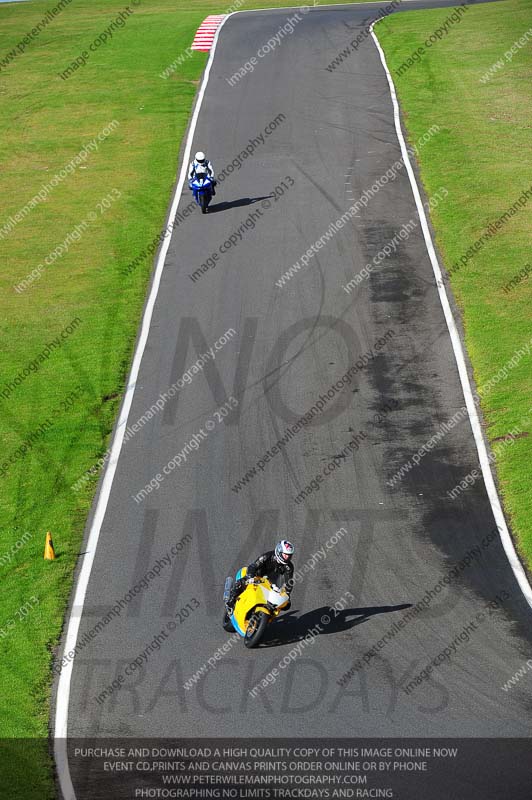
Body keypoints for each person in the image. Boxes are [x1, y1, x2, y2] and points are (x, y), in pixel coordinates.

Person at [226, 540, 295, 612]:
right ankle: (230, 601)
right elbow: (253, 566)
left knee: (287, 605)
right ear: (279, 551)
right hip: (257, 577)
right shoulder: (267, 556)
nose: (287, 557)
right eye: (285, 555)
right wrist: (250, 576)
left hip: (271, 584)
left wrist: (287, 593)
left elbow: (289, 582)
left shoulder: (289, 567)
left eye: (289, 555)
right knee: (242, 582)